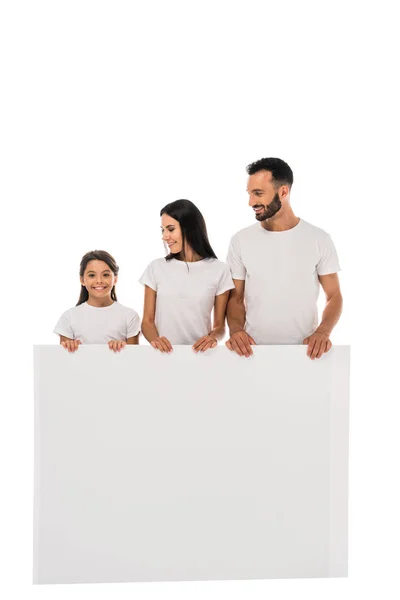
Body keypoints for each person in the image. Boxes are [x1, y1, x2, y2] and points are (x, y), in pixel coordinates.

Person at [226, 157, 343, 360]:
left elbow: (334, 296)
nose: (251, 202)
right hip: (252, 354)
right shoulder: (240, 240)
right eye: (249, 194)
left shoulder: (318, 239)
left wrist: (323, 333)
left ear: (283, 192)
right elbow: (235, 298)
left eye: (258, 193)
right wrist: (236, 331)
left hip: (305, 354)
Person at [139, 199, 234, 353]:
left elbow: (220, 326)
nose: (165, 236)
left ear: (189, 228)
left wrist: (213, 338)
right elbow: (147, 322)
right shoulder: (156, 268)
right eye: (162, 230)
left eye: (170, 229)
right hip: (163, 357)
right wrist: (156, 341)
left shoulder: (219, 270)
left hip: (201, 357)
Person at [54, 250, 141, 353]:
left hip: (117, 369)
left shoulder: (130, 316)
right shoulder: (69, 317)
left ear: (115, 279)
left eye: (105, 275)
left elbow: (134, 360)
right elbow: (63, 361)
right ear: (82, 280)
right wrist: (70, 346)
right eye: (92, 275)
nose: (99, 280)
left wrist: (123, 348)